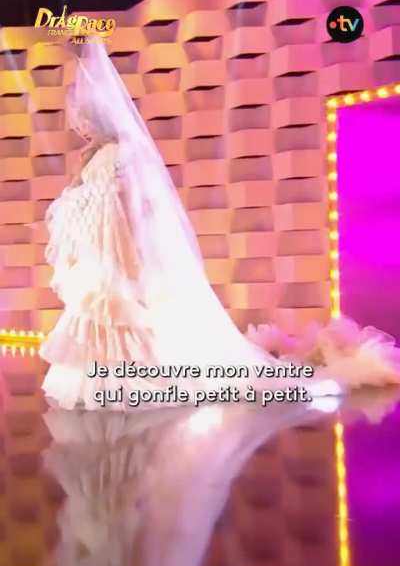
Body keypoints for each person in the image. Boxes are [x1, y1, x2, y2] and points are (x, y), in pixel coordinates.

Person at [39, 41, 400, 411]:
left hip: (118, 257)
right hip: (97, 258)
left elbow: (128, 212)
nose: (79, 124)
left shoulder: (122, 155)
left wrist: (128, 265)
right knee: (100, 317)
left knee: (122, 318)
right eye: (77, 116)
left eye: (83, 115)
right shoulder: (92, 159)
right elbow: (85, 212)